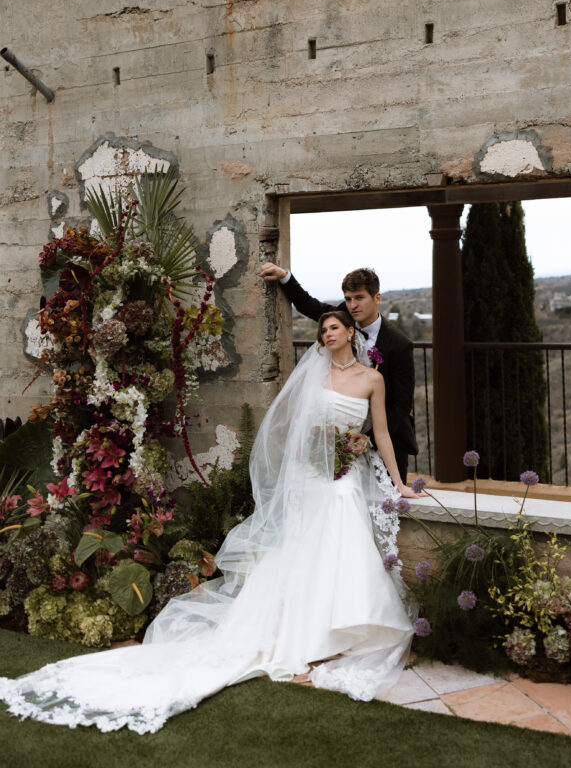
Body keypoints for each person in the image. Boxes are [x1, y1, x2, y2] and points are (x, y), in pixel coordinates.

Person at [0, 311, 417, 734]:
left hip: (347, 474)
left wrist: (397, 483)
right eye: (322, 329)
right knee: (320, 517)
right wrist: (315, 450)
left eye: (334, 328)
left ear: (350, 332)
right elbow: (295, 430)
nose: (327, 334)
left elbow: (381, 433)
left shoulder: (372, 379)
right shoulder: (314, 375)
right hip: (314, 475)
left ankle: (348, 623)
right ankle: (310, 630)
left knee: (344, 496)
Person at [260, 264, 418, 483]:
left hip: (386, 438)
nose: (353, 305)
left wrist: (368, 440)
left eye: (359, 298)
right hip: (339, 439)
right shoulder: (343, 320)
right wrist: (285, 277)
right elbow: (308, 304)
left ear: (377, 298)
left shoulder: (399, 345)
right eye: (348, 298)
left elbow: (401, 405)